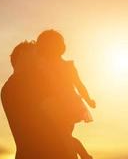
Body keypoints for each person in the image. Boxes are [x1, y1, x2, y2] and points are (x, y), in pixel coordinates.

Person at [36, 29, 96, 159]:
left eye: (54, 44)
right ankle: (83, 155)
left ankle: (84, 155)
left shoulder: (67, 66)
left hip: (68, 105)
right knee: (61, 137)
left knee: (63, 136)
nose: (51, 49)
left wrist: (89, 100)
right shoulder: (41, 65)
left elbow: (79, 85)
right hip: (52, 105)